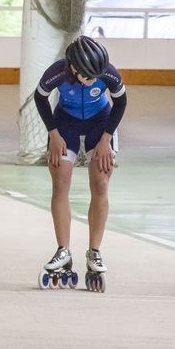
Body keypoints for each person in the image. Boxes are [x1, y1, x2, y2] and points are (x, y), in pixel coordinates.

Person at [33, 36, 127, 290]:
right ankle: (63, 250)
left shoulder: (107, 71)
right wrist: (53, 134)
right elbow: (40, 97)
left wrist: (106, 139)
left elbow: (121, 102)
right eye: (89, 76)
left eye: (98, 75)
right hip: (66, 123)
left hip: (101, 122)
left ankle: (94, 251)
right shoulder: (57, 72)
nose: (95, 80)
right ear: (74, 68)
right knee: (60, 183)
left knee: (101, 183)